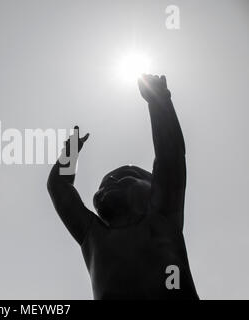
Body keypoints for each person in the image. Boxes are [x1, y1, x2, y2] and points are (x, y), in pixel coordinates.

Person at [47, 74, 199, 299]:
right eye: (104, 183)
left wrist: (159, 101)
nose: (111, 182)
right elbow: (59, 187)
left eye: (126, 176)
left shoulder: (162, 217)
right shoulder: (93, 235)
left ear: (153, 189)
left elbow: (169, 156)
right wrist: (69, 154)